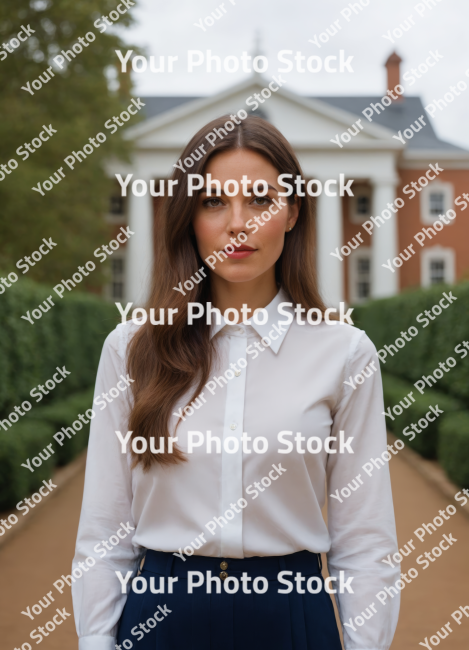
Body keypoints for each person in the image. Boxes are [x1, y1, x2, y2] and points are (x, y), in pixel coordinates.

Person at [71, 115, 400, 650]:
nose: (238, 223)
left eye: (260, 200)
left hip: (291, 614)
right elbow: (104, 535)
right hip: (161, 614)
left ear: (292, 212)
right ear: (188, 216)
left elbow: (364, 540)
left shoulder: (345, 353)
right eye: (213, 202)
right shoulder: (132, 348)